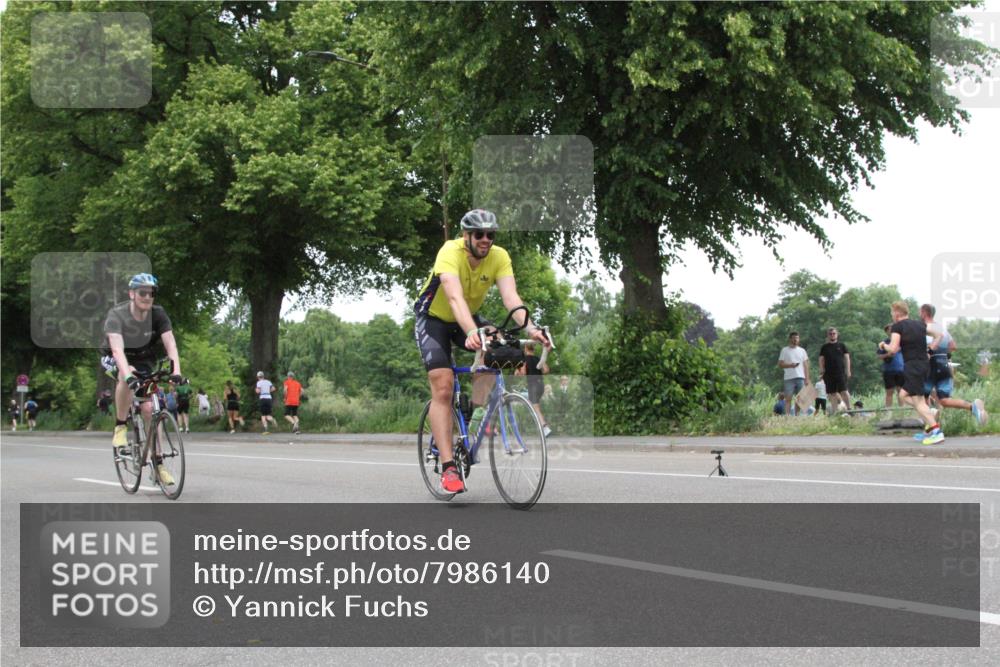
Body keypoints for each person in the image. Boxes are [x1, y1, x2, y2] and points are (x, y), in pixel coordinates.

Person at [413, 209, 550, 494]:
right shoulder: (449, 252)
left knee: (503, 348)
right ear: (466, 236)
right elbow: (453, 296)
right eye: (479, 234)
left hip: (468, 317)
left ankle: (471, 413)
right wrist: (472, 331)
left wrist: (532, 329)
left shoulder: (499, 256)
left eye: (491, 234)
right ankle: (450, 467)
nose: (486, 239)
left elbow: (511, 299)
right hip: (435, 319)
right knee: (443, 386)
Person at [100, 273, 183, 485]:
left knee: (149, 410)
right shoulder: (117, 315)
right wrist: (128, 375)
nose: (147, 296)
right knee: (126, 373)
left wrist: (176, 371)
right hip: (114, 357)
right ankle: (120, 425)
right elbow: (117, 351)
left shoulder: (158, 314)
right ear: (132, 294)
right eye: (142, 292)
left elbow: (171, 344)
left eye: (152, 292)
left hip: (144, 359)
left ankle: (158, 465)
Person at [879, 301, 941, 444]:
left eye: (892, 313)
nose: (892, 316)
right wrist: (930, 350)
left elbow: (893, 349)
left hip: (913, 366)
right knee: (903, 395)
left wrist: (883, 345)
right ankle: (929, 415)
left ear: (897, 312)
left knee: (918, 401)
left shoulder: (897, 326)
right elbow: (938, 335)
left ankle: (936, 431)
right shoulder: (920, 324)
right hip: (923, 365)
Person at [920, 303, 988, 428]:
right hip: (944, 364)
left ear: (924, 312)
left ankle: (930, 425)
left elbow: (925, 348)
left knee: (919, 398)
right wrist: (943, 353)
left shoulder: (925, 328)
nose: (920, 314)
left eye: (920, 312)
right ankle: (973, 407)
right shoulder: (943, 328)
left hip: (930, 366)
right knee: (944, 400)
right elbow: (953, 346)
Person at [515, 344, 551, 437]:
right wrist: (538, 371)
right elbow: (546, 370)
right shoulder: (538, 358)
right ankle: (541, 428)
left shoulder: (524, 360)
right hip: (541, 384)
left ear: (525, 348)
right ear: (533, 349)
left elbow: (523, 373)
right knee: (535, 406)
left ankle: (545, 428)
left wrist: (518, 369)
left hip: (533, 385)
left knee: (535, 407)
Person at [818, 327, 851, 413]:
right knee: (832, 393)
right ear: (828, 335)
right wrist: (821, 369)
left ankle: (849, 409)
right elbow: (821, 359)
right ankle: (835, 411)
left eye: (834, 333)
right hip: (828, 374)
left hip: (840, 372)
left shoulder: (842, 346)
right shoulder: (824, 347)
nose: (832, 335)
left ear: (837, 334)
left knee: (844, 391)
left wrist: (848, 370)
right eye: (830, 334)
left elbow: (847, 358)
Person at [777, 332, 810, 416]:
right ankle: (787, 416)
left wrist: (807, 379)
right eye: (794, 338)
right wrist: (790, 365)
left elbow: (806, 365)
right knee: (788, 398)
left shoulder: (802, 350)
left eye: (797, 338)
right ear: (790, 339)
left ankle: (797, 416)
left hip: (800, 377)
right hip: (789, 378)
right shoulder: (785, 350)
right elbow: (780, 364)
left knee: (800, 398)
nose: (795, 339)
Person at [877, 323, 905, 408]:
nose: (892, 331)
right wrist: (887, 355)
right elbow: (879, 356)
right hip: (888, 370)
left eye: (893, 329)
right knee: (889, 392)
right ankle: (888, 412)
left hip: (901, 370)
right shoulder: (884, 343)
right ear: (886, 332)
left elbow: (897, 350)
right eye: (890, 329)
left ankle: (902, 411)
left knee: (901, 392)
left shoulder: (901, 341)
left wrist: (890, 350)